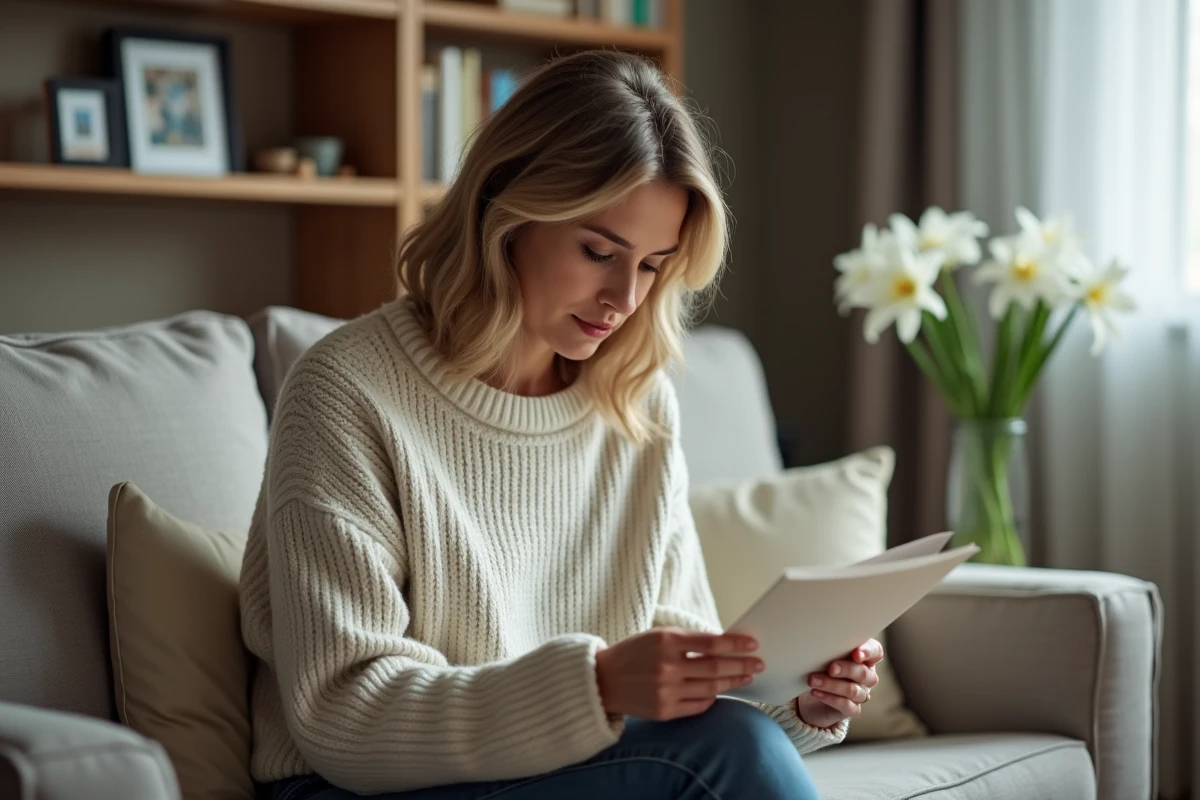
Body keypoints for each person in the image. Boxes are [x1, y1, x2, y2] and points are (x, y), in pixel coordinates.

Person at [239, 49, 883, 800]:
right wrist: (599, 684)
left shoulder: (636, 404)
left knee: (733, 742)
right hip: (358, 784)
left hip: (568, 774)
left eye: (651, 266)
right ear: (505, 209)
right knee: (725, 755)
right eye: (598, 252)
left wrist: (801, 705)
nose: (624, 299)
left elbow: (690, 697)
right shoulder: (347, 389)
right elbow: (344, 712)